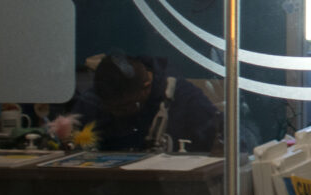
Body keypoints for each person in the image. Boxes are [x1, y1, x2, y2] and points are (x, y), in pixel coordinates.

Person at [74, 52, 222, 153]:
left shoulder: (187, 101)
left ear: (146, 87)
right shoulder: (94, 101)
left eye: (124, 107)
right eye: (110, 108)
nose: (116, 113)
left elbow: (228, 147)